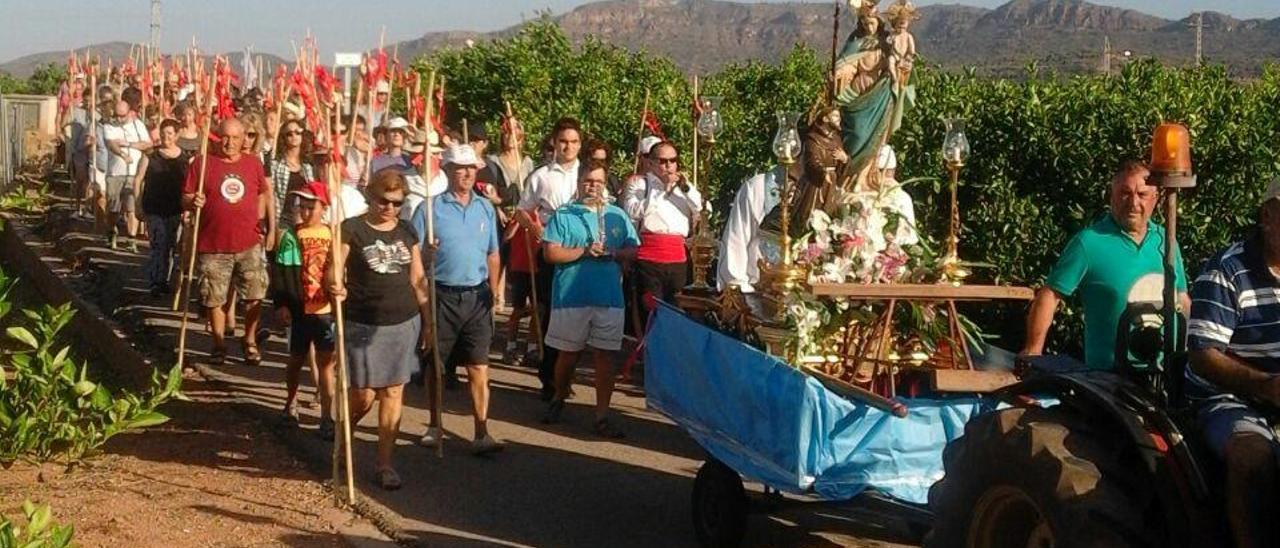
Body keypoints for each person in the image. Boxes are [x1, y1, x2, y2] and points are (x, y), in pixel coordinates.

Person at [1021, 160, 1189, 368]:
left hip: (1165, 374)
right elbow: (1049, 295)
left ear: (1155, 198)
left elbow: (1182, 298)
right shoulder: (1089, 242)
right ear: (1112, 197)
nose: (1133, 203)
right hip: (1108, 378)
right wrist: (1033, 353)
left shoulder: (1166, 240)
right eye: (1125, 193)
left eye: (1142, 195)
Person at [1186, 177, 1280, 548]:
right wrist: (1264, 387)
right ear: (1268, 217)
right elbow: (1203, 354)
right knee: (1252, 456)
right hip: (1230, 397)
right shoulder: (1227, 270)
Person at [331, 169, 432, 490]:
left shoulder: (407, 230)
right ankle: (343, 434)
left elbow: (418, 278)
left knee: (393, 391)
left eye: (397, 203)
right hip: (362, 322)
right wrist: (335, 285)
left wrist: (428, 321)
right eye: (383, 201)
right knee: (363, 395)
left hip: (402, 323)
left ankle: (385, 464)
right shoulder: (352, 228)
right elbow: (335, 269)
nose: (390, 208)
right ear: (371, 196)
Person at [410, 144, 504, 455]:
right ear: (447, 170)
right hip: (442, 294)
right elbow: (415, 257)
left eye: (471, 168)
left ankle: (481, 430)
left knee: (479, 366)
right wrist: (427, 252)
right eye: (459, 168)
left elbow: (493, 252)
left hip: (477, 296)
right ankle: (434, 425)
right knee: (436, 366)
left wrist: (496, 290)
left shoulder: (485, 208)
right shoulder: (429, 209)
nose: (466, 173)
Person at [540, 160, 639, 437]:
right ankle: (559, 396)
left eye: (597, 181)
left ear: (604, 184)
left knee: (605, 357)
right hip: (572, 296)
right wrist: (583, 251)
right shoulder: (564, 214)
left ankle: (602, 416)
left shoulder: (617, 215)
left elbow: (634, 250)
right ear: (579, 182)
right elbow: (551, 254)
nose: (592, 185)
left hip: (608, 297)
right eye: (587, 180)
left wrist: (616, 254)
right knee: (568, 356)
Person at [182, 118, 272, 367]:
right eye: (225, 137)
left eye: (235, 137)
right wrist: (193, 201)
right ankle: (219, 344)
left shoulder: (253, 163)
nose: (229, 143)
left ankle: (250, 340)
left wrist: (263, 222)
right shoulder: (201, 164)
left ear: (244, 138)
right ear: (216, 137)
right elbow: (186, 196)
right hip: (212, 244)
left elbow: (263, 193)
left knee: (255, 295)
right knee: (214, 297)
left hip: (248, 243)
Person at [516, 117, 583, 398]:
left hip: (581, 253)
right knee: (548, 312)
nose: (568, 147)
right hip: (550, 250)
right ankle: (549, 377)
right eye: (563, 141)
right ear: (554, 142)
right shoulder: (541, 176)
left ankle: (567, 376)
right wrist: (536, 229)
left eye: (574, 142)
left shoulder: (588, 175)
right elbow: (521, 211)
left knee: (575, 315)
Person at [270, 181, 337, 441]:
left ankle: (327, 415)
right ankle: (291, 402)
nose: (307, 212)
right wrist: (282, 303)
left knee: (326, 363)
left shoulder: (333, 235)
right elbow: (282, 272)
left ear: (323, 208)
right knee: (296, 359)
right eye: (303, 207)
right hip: (300, 307)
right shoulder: (291, 236)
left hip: (325, 308)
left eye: (312, 207)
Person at [623, 141, 703, 308]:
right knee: (651, 310)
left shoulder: (684, 187)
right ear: (651, 163)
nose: (668, 165)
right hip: (649, 260)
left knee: (678, 310)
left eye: (672, 160)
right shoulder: (640, 184)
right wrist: (660, 189)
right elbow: (632, 211)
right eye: (663, 161)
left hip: (677, 259)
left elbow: (701, 209)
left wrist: (684, 187)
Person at [135, 119, 189, 297]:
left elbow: (189, 185)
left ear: (177, 134)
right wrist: (137, 204)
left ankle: (165, 279)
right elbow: (138, 179)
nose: (167, 138)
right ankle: (156, 281)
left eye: (170, 134)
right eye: (164, 134)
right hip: (154, 207)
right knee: (158, 243)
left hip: (175, 209)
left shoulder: (184, 159)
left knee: (171, 246)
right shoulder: (151, 155)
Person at [97, 89, 153, 251]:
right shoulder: (109, 126)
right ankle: (111, 231)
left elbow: (147, 144)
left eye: (123, 116)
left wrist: (129, 144)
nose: (120, 119)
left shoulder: (138, 126)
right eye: (117, 115)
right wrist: (122, 152)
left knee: (131, 207)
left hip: (134, 172)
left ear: (130, 113)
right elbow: (111, 144)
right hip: (115, 172)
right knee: (114, 207)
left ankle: (131, 238)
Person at [371, 117, 444, 221]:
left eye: (400, 132)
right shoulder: (402, 178)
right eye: (393, 131)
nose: (425, 159)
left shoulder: (444, 181)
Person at [269, 119, 315, 243]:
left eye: (297, 132)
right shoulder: (275, 165)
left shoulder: (307, 166)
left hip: (304, 221)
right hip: (283, 221)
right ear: (283, 138)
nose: (294, 136)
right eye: (289, 134)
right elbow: (272, 196)